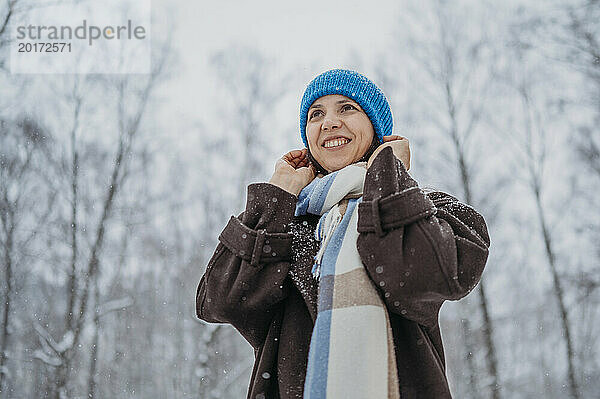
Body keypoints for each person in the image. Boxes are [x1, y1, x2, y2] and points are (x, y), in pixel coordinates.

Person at [195, 69, 491, 399]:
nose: (329, 122)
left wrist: (388, 180)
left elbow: (427, 276)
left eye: (347, 108)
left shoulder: (430, 210)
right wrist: (277, 197)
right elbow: (221, 300)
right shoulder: (287, 222)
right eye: (315, 114)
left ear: (377, 128)